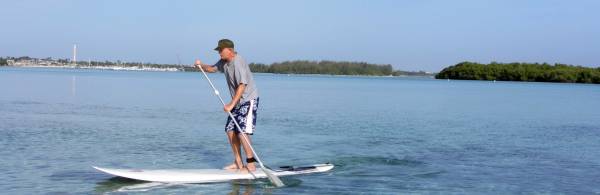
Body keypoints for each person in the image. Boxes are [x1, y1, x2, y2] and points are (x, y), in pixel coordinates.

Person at [194, 39, 260, 172]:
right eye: (218, 50)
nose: (219, 53)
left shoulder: (238, 61)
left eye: (221, 50)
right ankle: (238, 162)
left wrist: (231, 104)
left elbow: (242, 85)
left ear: (229, 50)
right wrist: (201, 65)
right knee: (230, 130)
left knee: (242, 131)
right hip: (237, 101)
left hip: (248, 99)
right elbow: (212, 69)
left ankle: (251, 164)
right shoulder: (224, 62)